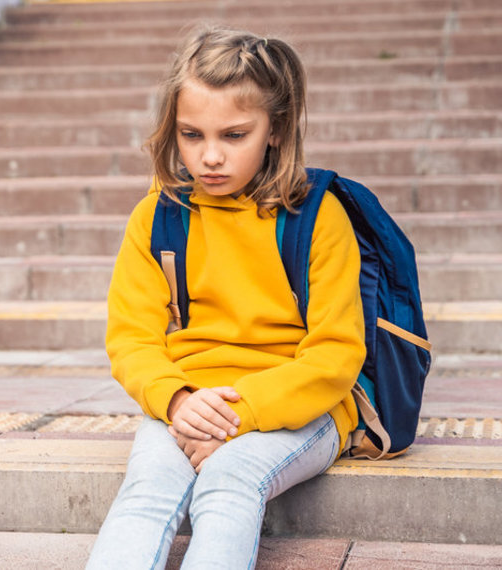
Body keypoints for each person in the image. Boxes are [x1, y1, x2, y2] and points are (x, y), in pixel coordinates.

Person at [86, 27, 368, 569]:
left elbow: (335, 357)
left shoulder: (317, 218)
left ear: (276, 130)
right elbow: (131, 339)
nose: (209, 156)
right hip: (188, 402)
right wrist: (176, 401)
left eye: (234, 135)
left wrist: (237, 420)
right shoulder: (157, 219)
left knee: (229, 479)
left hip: (298, 407)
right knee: (146, 491)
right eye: (192, 135)